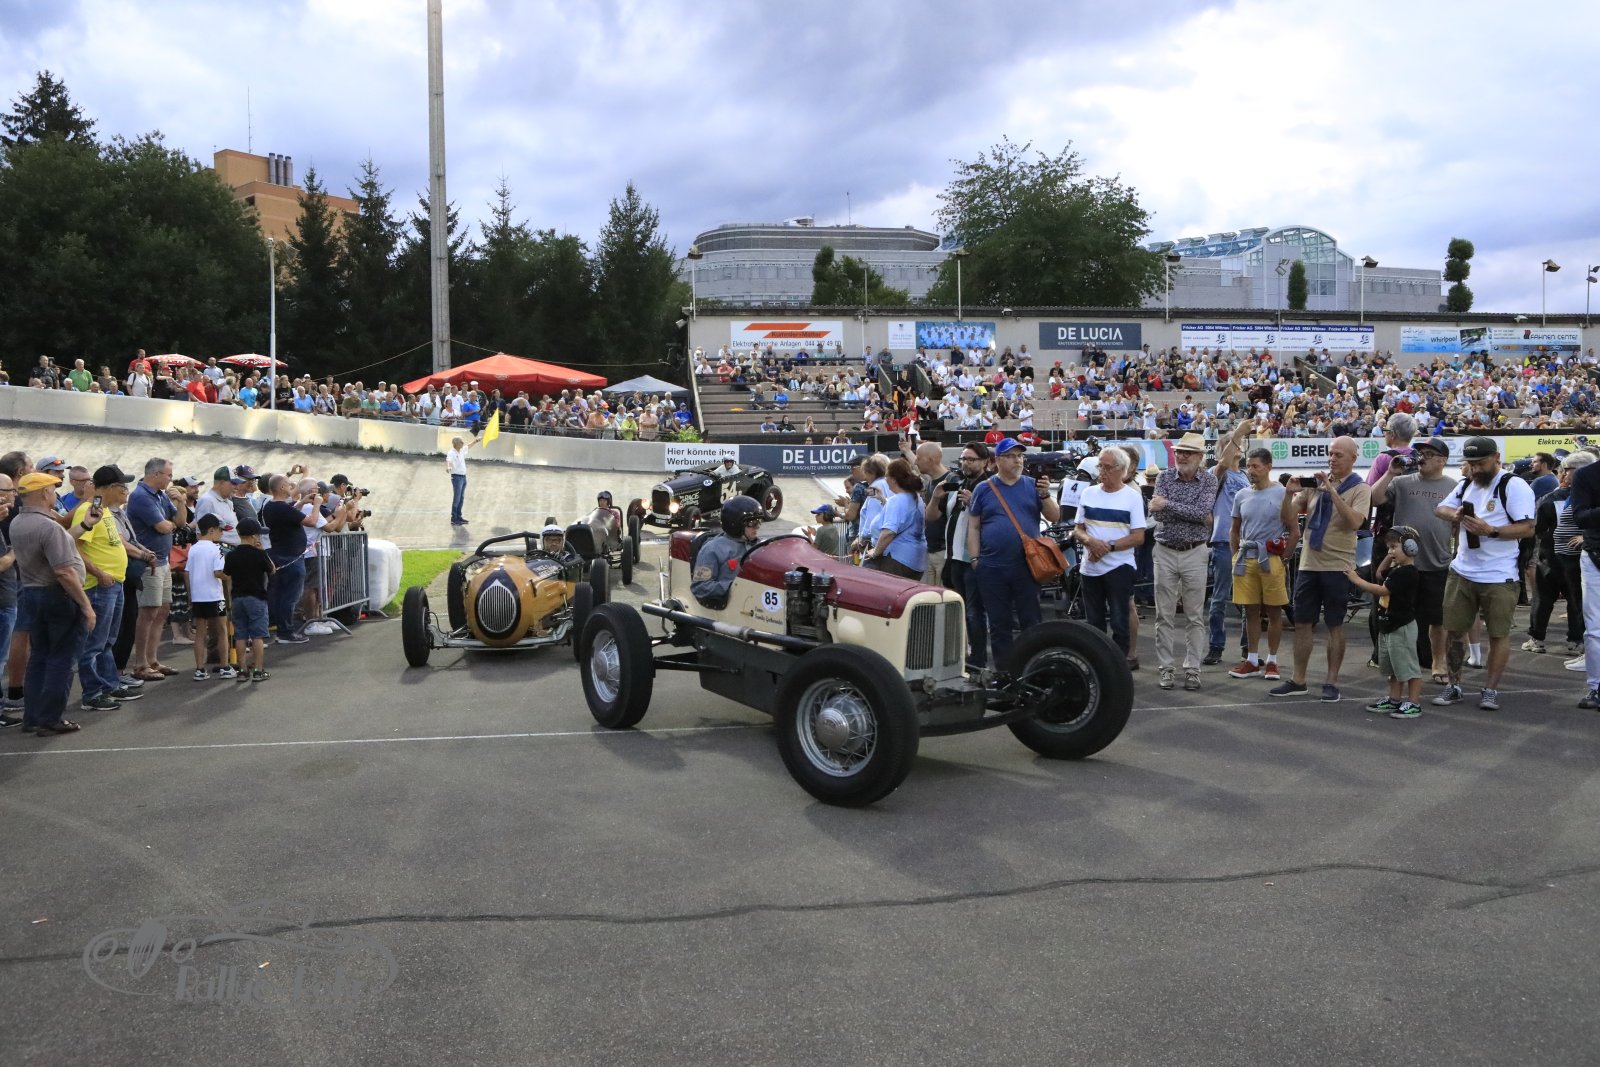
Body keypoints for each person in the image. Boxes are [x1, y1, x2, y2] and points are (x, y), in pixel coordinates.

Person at [1432, 437, 1535, 711]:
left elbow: (1528, 528)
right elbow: (1440, 508)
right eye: (1471, 463)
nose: (1475, 469)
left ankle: (1490, 690)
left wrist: (1492, 530)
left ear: (1496, 457)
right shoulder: (1466, 484)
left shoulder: (1513, 485)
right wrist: (1454, 515)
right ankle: (1454, 685)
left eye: (1480, 463)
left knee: (1498, 634)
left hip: (1500, 575)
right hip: (1462, 571)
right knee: (1454, 632)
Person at [1269, 436, 1372, 703]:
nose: (1332, 459)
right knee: (1303, 623)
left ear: (1353, 458)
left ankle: (1331, 681)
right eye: (1330, 453)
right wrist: (1289, 493)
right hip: (1309, 564)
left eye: (1338, 455)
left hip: (1338, 566)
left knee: (1335, 624)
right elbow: (1287, 517)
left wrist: (1331, 491)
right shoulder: (1314, 484)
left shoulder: (1360, 488)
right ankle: (1298, 679)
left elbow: (1355, 522)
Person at [12, 471, 96, 734]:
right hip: (58, 595)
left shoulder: (19, 522)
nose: (53, 493)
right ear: (43, 493)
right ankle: (50, 718)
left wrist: (85, 525)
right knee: (62, 658)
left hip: (33, 593)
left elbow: (61, 539)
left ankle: (34, 716)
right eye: (51, 489)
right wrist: (86, 605)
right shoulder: (47, 526)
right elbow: (64, 571)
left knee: (40, 656)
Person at [969, 438, 1061, 666]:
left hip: (1026, 566)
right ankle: (1004, 672)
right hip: (992, 567)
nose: (1017, 461)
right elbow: (974, 526)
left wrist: (1045, 495)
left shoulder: (1033, 486)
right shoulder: (984, 488)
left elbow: (1054, 516)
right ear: (998, 460)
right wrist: (975, 558)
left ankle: (1033, 668)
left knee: (1031, 622)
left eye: (1020, 456)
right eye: (1011, 456)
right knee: (999, 624)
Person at [1371, 436, 1455, 678]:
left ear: (1442, 460)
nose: (1422, 458)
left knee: (1437, 619)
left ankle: (1438, 662)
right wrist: (1390, 473)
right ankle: (1400, 662)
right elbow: (1374, 499)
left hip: (1437, 561)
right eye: (1421, 454)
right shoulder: (1402, 482)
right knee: (1399, 616)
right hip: (1405, 565)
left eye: (1429, 454)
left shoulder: (1453, 486)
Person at [1150, 432, 1217, 691]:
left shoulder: (1209, 480)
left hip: (1195, 551)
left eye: (1187, 452)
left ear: (1200, 457)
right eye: (1179, 451)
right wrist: (1193, 514)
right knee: (1163, 615)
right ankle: (1166, 668)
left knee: (1194, 616)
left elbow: (1202, 512)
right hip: (1165, 550)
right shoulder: (1164, 477)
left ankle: (1192, 670)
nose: (1181, 456)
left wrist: (1168, 504)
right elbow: (1157, 515)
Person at [73, 465, 139, 711]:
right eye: (122, 486)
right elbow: (75, 547)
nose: (125, 490)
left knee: (107, 640)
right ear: (111, 487)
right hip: (100, 586)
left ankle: (109, 685)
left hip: (113, 583)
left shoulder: (106, 511)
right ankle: (92, 693)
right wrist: (99, 573)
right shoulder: (88, 511)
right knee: (94, 643)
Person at [1227, 447, 1295, 682]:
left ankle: (1272, 660)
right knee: (1250, 611)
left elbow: (1294, 530)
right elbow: (1234, 530)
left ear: (1268, 467)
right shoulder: (1241, 495)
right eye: (1248, 466)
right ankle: (1253, 660)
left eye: (1255, 466)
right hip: (1246, 559)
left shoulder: (1283, 493)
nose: (1251, 470)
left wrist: (1284, 559)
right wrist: (1235, 556)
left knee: (1275, 612)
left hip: (1271, 558)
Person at [1072, 446, 1145, 657]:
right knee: (1093, 623)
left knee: (1119, 622)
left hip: (1119, 566)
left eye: (1107, 467)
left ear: (1121, 469)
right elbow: (1078, 529)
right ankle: (1098, 664)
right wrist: (1091, 542)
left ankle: (1119, 664)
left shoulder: (1132, 497)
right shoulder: (1088, 493)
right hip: (1090, 567)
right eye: (1100, 466)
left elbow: (1138, 537)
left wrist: (1107, 547)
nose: (1101, 471)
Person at [1349, 527, 1425, 719]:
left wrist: (1357, 580)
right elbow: (1380, 573)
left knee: (1408, 668)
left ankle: (1414, 703)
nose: (1390, 551)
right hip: (1388, 626)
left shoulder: (1408, 573)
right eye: (1388, 548)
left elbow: (1382, 590)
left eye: (1394, 547)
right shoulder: (1396, 570)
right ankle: (1394, 699)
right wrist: (1390, 555)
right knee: (1393, 668)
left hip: (1402, 627)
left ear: (1409, 548)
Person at [126, 457, 182, 682]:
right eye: (168, 475)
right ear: (156, 474)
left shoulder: (161, 495)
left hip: (162, 561)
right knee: (148, 612)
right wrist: (171, 523)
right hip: (149, 563)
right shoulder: (141, 496)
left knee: (162, 610)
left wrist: (180, 503)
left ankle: (152, 659)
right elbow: (162, 526)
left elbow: (179, 521)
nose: (171, 479)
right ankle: (140, 663)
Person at [1205, 419, 1252, 664]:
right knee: (1220, 597)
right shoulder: (1216, 473)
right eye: (1232, 444)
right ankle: (1216, 645)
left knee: (1247, 599)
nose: (1238, 446)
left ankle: (1248, 647)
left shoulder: (1245, 476)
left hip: (1245, 543)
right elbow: (1223, 463)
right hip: (1223, 541)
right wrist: (1238, 433)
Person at [260, 475, 319, 644]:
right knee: (289, 597)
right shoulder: (281, 508)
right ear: (281, 488)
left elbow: (290, 513)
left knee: (280, 594)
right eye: (287, 484)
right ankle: (285, 632)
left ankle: (280, 628)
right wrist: (317, 504)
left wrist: (302, 502)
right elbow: (312, 521)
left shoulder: (271, 506)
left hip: (280, 555)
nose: (291, 487)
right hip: (291, 558)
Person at [223, 518, 274, 682]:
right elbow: (272, 570)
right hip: (256, 597)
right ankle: (258, 670)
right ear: (254, 536)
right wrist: (263, 550)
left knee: (240, 636)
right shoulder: (259, 554)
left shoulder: (232, 555)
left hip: (238, 598)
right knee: (258, 636)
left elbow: (227, 573)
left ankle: (242, 670)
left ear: (239, 534)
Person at [690, 495, 762, 609]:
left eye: (759, 521)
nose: (757, 527)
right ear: (736, 524)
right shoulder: (712, 549)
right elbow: (700, 587)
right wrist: (735, 587)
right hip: (732, 608)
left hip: (755, 603)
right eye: (752, 523)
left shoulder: (759, 545)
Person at [185, 515, 233, 679]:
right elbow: (218, 572)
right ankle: (225, 666)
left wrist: (190, 595)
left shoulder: (193, 548)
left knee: (200, 633)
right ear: (212, 530)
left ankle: (200, 669)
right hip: (216, 597)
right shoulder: (217, 549)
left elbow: (187, 572)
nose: (222, 534)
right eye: (220, 530)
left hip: (199, 597)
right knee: (222, 630)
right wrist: (230, 575)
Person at [864, 458, 928, 580]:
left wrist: (875, 552)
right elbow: (904, 514)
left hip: (897, 560)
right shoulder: (915, 497)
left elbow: (889, 532)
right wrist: (883, 500)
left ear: (893, 479)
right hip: (915, 560)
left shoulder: (896, 501)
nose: (885, 479)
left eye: (886, 476)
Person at [446, 436, 474, 526]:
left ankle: (459, 516)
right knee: (457, 498)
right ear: (456, 443)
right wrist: (449, 467)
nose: (463, 443)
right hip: (457, 478)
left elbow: (468, 446)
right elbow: (449, 461)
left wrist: (476, 441)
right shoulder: (451, 453)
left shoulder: (461, 450)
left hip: (463, 477)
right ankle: (454, 518)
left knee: (461, 498)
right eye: (461, 442)